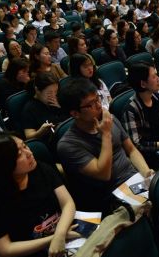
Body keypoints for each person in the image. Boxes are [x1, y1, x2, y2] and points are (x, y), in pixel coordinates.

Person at [0, 133, 79, 257]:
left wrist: (60, 234)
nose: (29, 153)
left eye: (25, 146)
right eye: (19, 154)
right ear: (4, 164)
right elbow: (5, 250)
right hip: (34, 256)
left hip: (66, 233)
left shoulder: (41, 169)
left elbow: (68, 204)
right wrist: (53, 240)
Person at [57, 78, 153, 211]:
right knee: (154, 207)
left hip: (134, 180)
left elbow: (131, 150)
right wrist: (106, 135)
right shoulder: (68, 145)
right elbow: (103, 174)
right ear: (75, 113)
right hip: (110, 196)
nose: (98, 106)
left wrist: (146, 173)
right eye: (91, 104)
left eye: (98, 99)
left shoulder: (108, 119)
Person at [122, 62, 159, 169]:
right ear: (143, 84)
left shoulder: (156, 96)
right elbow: (138, 145)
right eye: (154, 77)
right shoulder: (131, 109)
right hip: (154, 153)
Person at [22, 72, 69, 144]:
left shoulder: (58, 98)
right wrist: (40, 132)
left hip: (68, 134)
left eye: (56, 91)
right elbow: (28, 136)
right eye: (49, 93)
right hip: (54, 142)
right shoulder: (29, 109)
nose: (53, 95)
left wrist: (60, 107)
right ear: (37, 90)